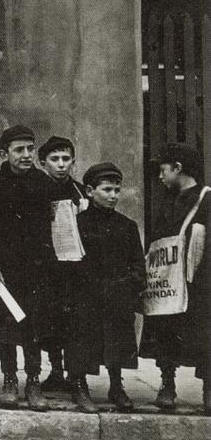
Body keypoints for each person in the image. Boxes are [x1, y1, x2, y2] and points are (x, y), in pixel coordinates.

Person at [0, 125, 53, 411]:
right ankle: (10, 380)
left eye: (30, 149)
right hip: (5, 272)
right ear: (3, 153)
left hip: (35, 270)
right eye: (18, 150)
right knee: (7, 327)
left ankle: (33, 381)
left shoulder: (44, 185)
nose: (26, 155)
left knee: (32, 327)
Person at [67, 162, 145, 413]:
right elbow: (67, 263)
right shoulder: (76, 224)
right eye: (107, 190)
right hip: (84, 295)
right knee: (80, 337)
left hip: (116, 295)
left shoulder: (127, 226)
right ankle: (79, 384)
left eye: (117, 190)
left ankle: (116, 386)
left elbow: (137, 264)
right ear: (90, 191)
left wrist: (129, 284)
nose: (113, 195)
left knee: (117, 339)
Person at [140, 143, 211, 414]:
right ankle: (167, 384)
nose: (160, 177)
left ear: (178, 169)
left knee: (205, 335)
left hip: (200, 283)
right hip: (170, 282)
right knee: (166, 330)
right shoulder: (168, 200)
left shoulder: (206, 199)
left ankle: (208, 389)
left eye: (163, 170)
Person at [37, 135, 88, 393]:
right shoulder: (37, 190)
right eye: (54, 159)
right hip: (48, 268)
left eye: (65, 159)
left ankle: (76, 375)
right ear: (43, 162)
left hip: (75, 268)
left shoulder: (82, 192)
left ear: (73, 161)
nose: (60, 164)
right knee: (50, 321)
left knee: (75, 321)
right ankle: (56, 370)